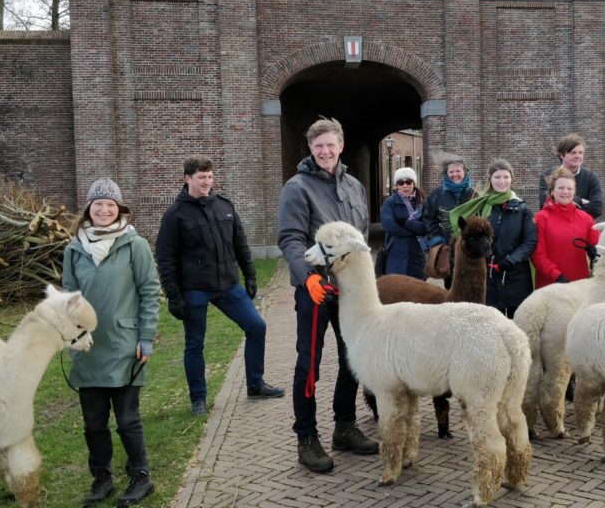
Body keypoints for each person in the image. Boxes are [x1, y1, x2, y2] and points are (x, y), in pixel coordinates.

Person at [277, 117, 379, 473]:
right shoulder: (297, 187)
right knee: (309, 364)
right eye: (318, 145)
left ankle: (345, 425)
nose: (324, 150)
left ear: (341, 145)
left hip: (349, 289)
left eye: (330, 144)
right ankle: (306, 437)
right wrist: (307, 277)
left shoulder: (354, 186)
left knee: (354, 358)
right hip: (316, 289)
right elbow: (290, 238)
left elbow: (360, 237)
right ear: (311, 148)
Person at [156, 155, 283, 418]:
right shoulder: (174, 216)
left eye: (210, 177)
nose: (206, 182)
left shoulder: (224, 206)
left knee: (256, 326)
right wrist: (174, 296)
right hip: (194, 289)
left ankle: (255, 384)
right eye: (201, 177)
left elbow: (240, 243)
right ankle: (198, 399)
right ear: (187, 179)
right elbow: (165, 259)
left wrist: (249, 275)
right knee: (194, 344)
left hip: (228, 285)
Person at [63, 178, 159, 507]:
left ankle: (141, 477)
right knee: (93, 422)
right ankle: (102, 479)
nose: (104, 210)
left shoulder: (135, 245)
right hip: (88, 348)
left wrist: (146, 338)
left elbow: (149, 292)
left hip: (125, 345)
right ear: (88, 209)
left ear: (119, 209)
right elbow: (69, 297)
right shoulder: (74, 248)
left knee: (128, 418)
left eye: (110, 205)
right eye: (98, 204)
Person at [450, 158, 537, 318]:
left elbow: (529, 242)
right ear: (490, 179)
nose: (501, 181)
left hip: (515, 276)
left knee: (516, 323)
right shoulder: (479, 207)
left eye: (505, 177)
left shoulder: (522, 209)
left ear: (512, 179)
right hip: (487, 275)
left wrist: (511, 260)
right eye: (497, 177)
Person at [532, 167, 601, 288]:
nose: (565, 192)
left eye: (569, 188)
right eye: (561, 188)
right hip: (550, 285)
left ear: (574, 192)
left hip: (580, 285)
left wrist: (595, 253)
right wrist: (557, 276)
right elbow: (538, 255)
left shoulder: (586, 219)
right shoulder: (541, 218)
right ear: (552, 191)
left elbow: (598, 247)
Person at [422, 153, 476, 287]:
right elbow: (428, 218)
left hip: (471, 251)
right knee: (451, 288)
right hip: (448, 250)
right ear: (446, 174)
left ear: (465, 172)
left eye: (458, 171)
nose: (455, 174)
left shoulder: (475, 195)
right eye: (451, 171)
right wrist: (436, 239)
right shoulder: (437, 194)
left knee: (472, 286)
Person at [537, 133, 605, 220]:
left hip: (581, 229)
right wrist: (579, 201)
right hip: (554, 227)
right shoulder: (547, 176)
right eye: (573, 153)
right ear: (562, 155)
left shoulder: (591, 178)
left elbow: (597, 208)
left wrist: (564, 206)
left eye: (580, 153)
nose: (578, 156)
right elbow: (545, 203)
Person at [380, 167, 428, 279]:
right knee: (396, 289)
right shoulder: (390, 203)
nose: (405, 185)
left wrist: (405, 223)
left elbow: (426, 227)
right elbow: (389, 226)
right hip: (396, 253)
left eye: (408, 182)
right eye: (401, 183)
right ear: (397, 185)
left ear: (414, 183)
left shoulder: (423, 203)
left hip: (417, 254)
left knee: (418, 290)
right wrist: (413, 232)